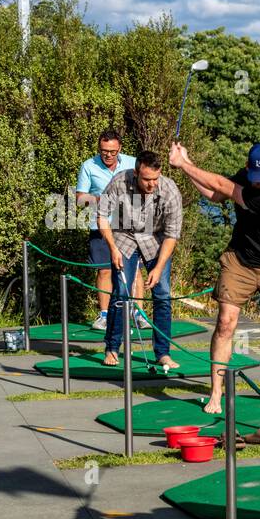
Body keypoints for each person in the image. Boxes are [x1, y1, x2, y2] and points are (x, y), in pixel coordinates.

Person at [168, 141, 260, 415]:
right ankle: (215, 392)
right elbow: (215, 195)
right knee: (225, 323)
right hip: (240, 262)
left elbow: (222, 186)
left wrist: (184, 163)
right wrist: (185, 165)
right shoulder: (245, 177)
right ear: (248, 168)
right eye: (257, 178)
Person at [97, 151, 183, 369]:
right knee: (121, 293)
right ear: (136, 173)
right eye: (147, 179)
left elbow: (172, 235)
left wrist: (159, 267)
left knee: (162, 294)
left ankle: (162, 353)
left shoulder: (170, 190)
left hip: (156, 241)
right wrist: (112, 248)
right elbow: (101, 216)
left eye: (155, 179)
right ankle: (112, 347)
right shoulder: (120, 181)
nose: (152, 184)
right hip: (124, 238)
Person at [74, 128, 146, 330]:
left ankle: (139, 313)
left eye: (112, 151)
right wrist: (102, 200)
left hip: (131, 227)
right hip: (101, 226)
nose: (108, 155)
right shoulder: (89, 166)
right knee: (105, 270)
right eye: (104, 150)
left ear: (120, 149)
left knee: (136, 270)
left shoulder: (133, 163)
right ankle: (104, 316)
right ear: (99, 148)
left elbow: (149, 184)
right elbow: (80, 198)